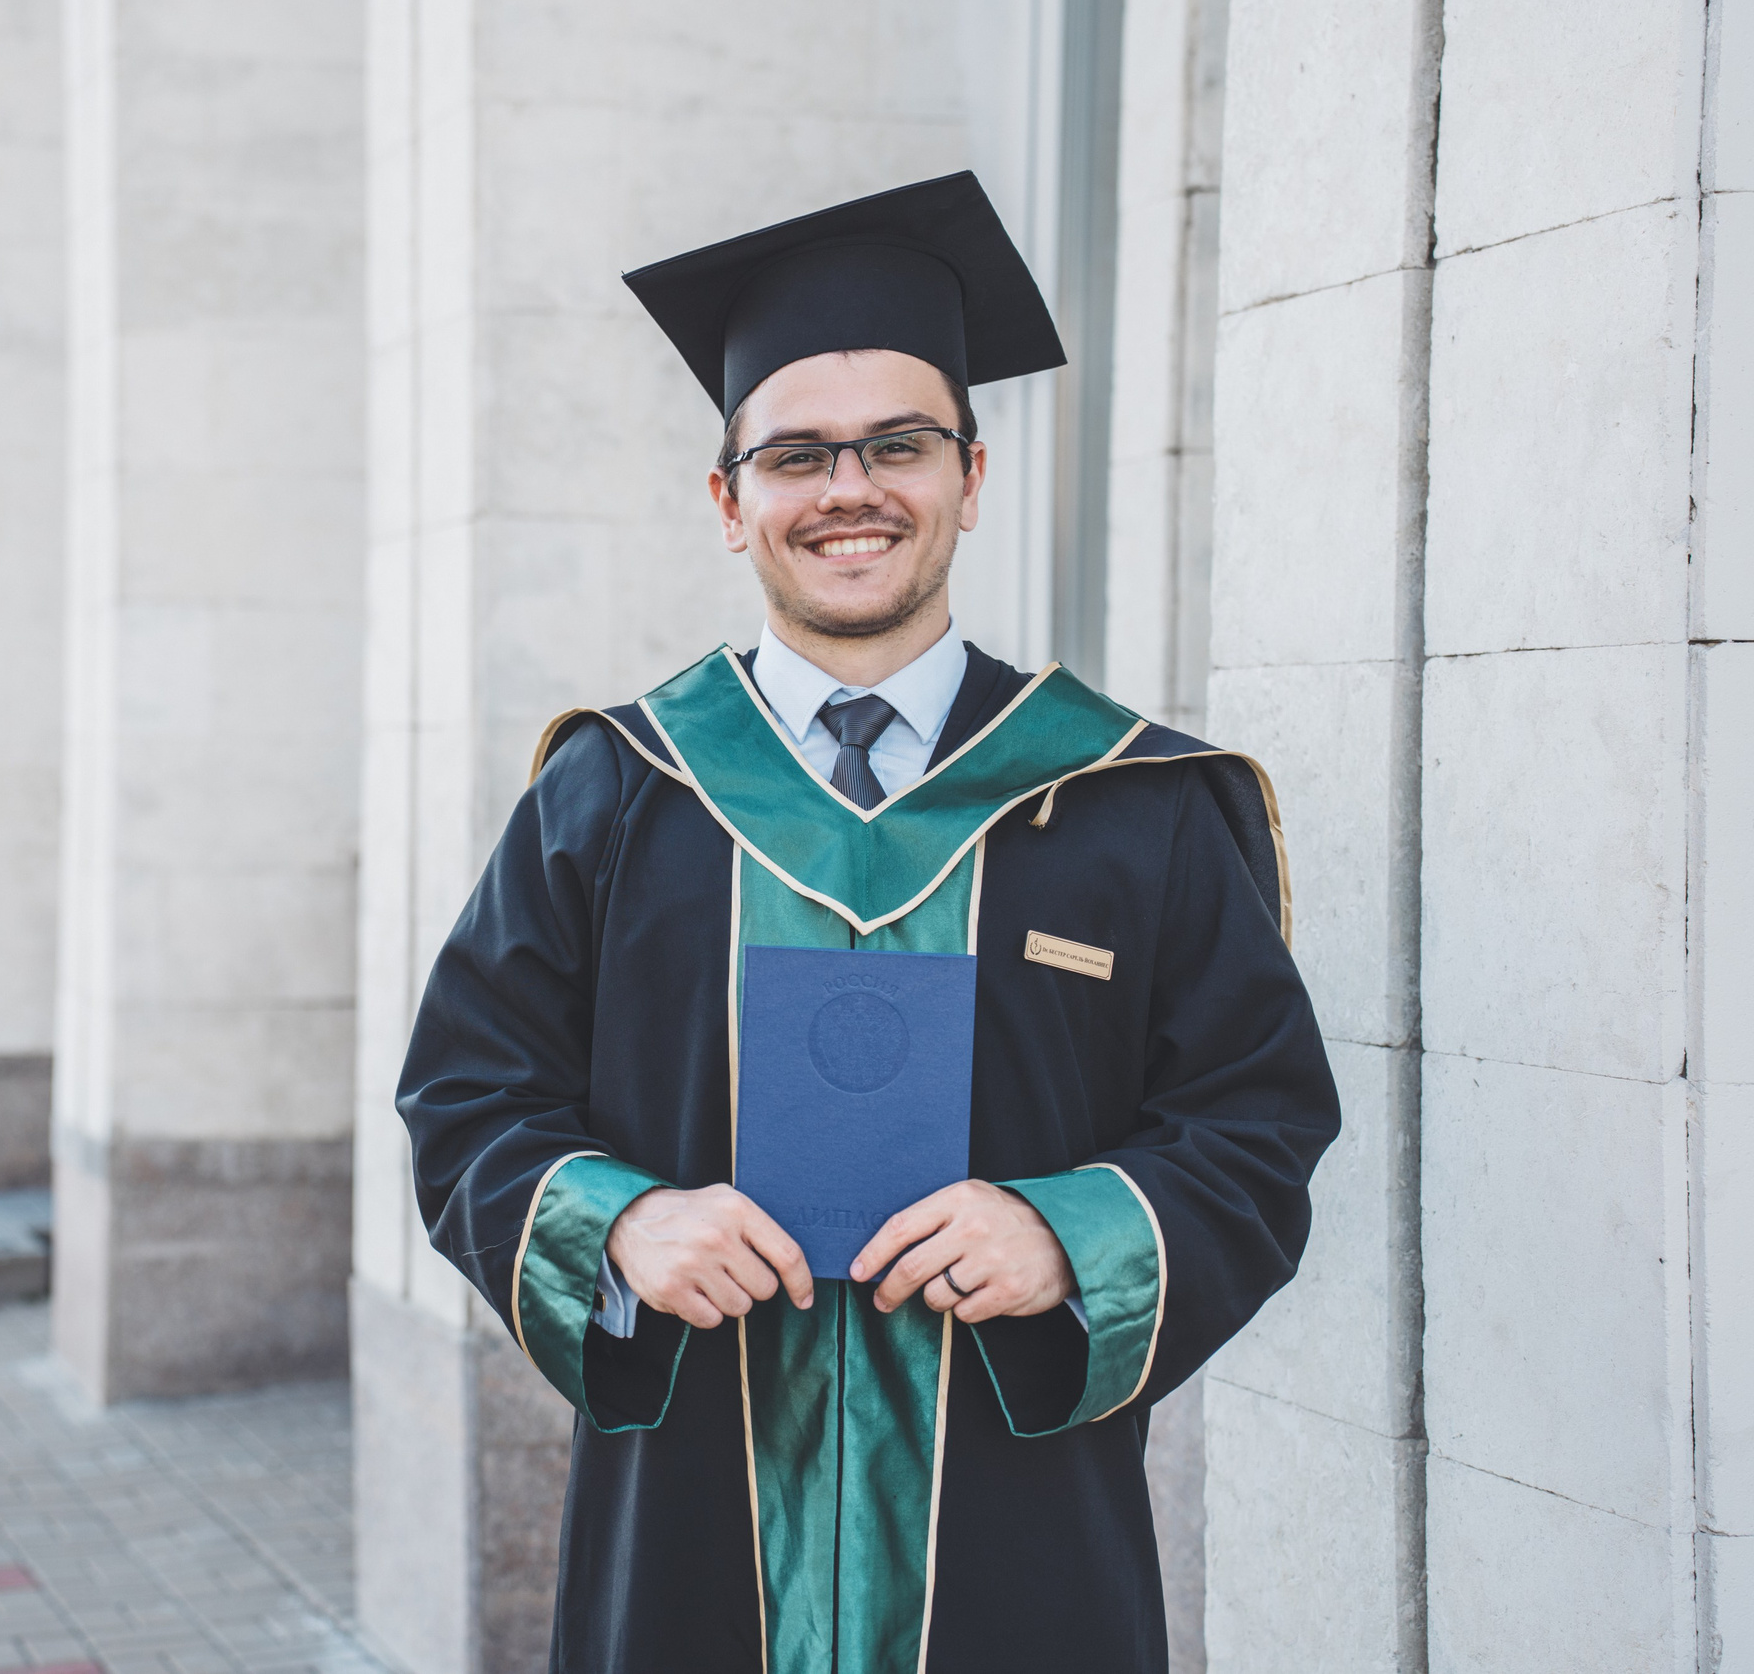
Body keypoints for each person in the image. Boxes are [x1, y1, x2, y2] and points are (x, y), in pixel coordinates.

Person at [394, 172, 1341, 1674]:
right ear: (730, 503)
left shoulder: (1131, 802)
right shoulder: (618, 792)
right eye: (796, 456)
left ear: (972, 474)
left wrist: (1068, 1232)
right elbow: (467, 1098)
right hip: (691, 1528)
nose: (850, 491)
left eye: (898, 445)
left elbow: (1255, 1120)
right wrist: (624, 1220)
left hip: (1020, 1550)